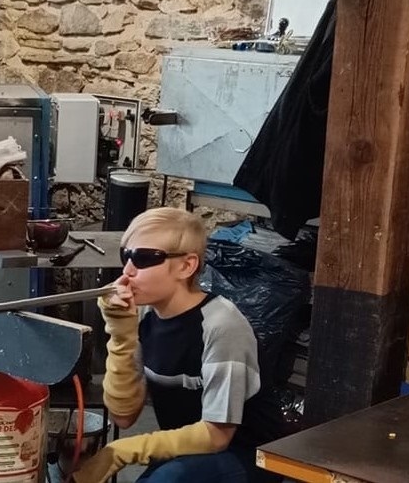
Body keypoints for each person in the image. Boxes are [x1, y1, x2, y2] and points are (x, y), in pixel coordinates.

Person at [68, 207, 279, 483]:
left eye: (144, 258)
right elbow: (123, 416)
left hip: (251, 455)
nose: (128, 270)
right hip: (190, 450)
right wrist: (121, 334)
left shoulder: (222, 326)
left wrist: (124, 449)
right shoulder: (143, 315)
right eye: (126, 256)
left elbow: (217, 436)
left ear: (186, 266)